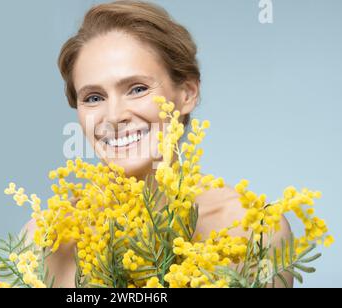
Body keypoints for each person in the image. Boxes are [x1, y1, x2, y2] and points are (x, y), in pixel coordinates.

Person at [23, 0, 292, 288]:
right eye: (93, 97)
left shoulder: (257, 229)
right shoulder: (44, 239)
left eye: (137, 89)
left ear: (187, 94)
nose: (114, 116)